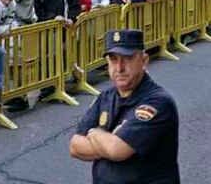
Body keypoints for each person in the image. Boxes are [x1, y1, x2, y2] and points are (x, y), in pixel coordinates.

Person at [70, 29, 180, 184]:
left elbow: (118, 150)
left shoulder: (158, 102)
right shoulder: (105, 97)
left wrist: (94, 132)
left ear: (144, 61)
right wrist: (108, 142)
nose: (119, 68)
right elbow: (75, 146)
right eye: (113, 59)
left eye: (127, 58)